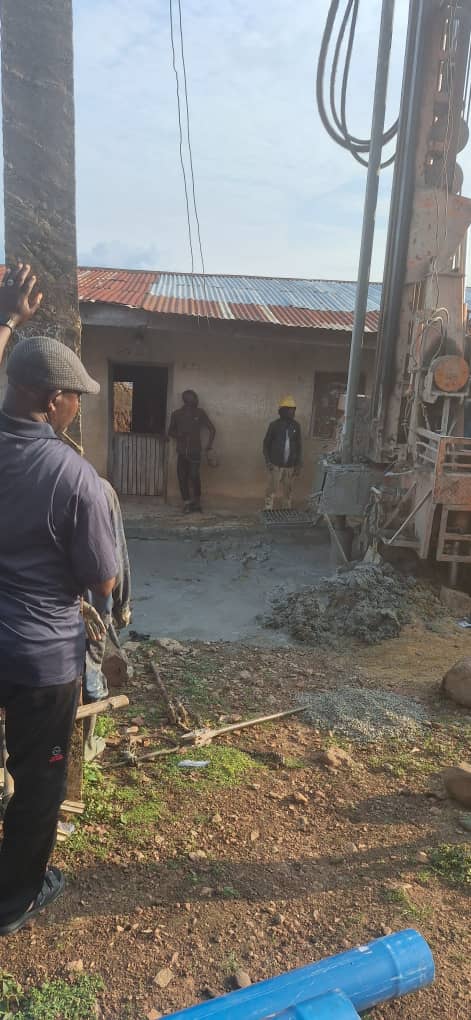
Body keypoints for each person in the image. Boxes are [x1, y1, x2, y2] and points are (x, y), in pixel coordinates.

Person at [0, 263, 117, 936]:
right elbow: (102, 581)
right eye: (75, 394)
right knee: (40, 782)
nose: (79, 404)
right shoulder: (75, 477)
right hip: (40, 661)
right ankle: (15, 898)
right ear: (52, 401)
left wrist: (8, 320)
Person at [168, 390, 216, 512]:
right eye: (194, 397)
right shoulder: (177, 414)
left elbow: (212, 429)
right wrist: (179, 435)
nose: (196, 399)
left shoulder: (200, 413)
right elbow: (170, 431)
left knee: (194, 476)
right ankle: (187, 503)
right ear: (187, 400)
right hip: (182, 451)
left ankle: (197, 501)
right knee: (182, 477)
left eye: (196, 397)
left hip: (195, 451)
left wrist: (209, 446)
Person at [263, 396, 302, 510]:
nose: (292, 412)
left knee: (288, 491)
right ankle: (268, 509)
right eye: (289, 409)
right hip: (276, 465)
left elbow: (299, 446)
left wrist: (298, 464)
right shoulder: (274, 425)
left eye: (293, 409)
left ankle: (286, 510)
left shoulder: (296, 426)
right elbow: (266, 445)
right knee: (272, 489)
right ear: (282, 411)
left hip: (290, 466)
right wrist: (268, 462)